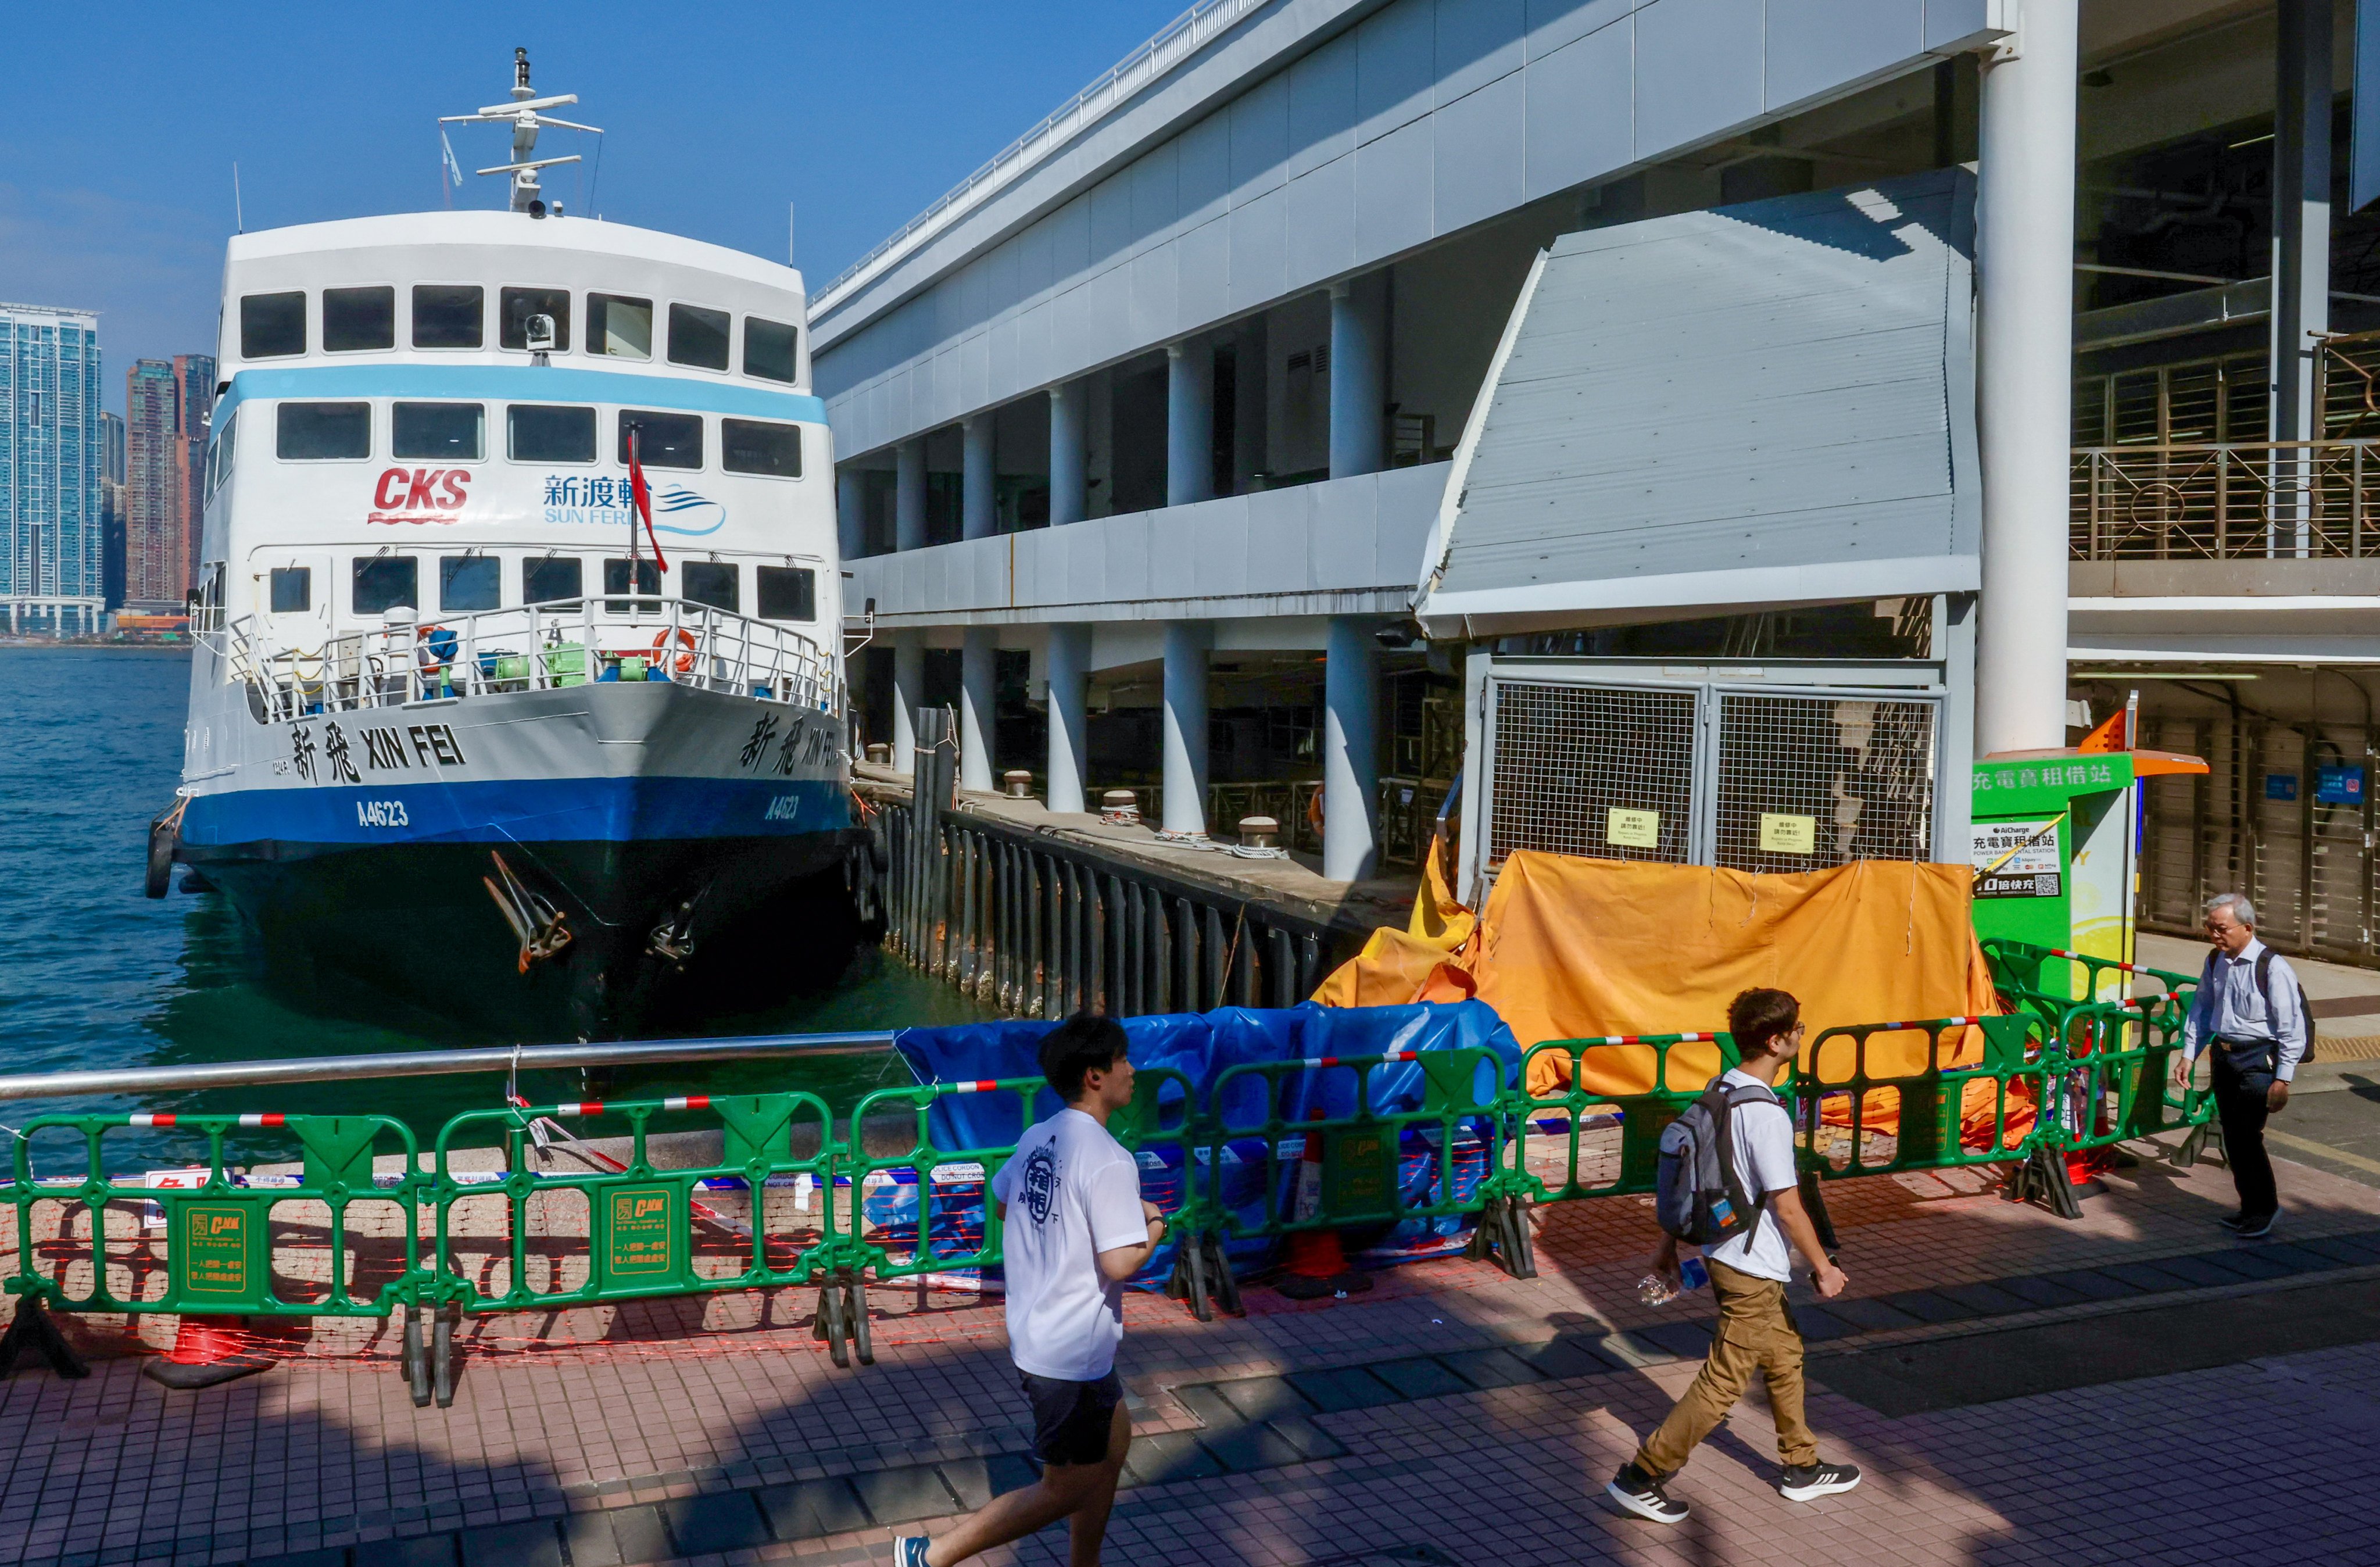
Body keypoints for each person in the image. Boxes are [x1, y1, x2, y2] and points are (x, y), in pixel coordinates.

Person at [897, 1014, 1166, 1567]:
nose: (1132, 1069)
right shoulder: (1111, 1159)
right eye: (1122, 1059)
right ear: (1094, 1076)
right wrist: (1156, 1226)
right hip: (1071, 1350)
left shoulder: (1037, 1136)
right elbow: (1119, 1262)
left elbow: (1002, 1202)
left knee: (1113, 1444)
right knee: (1065, 1486)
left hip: (1040, 1334)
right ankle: (930, 1556)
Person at [1606, 988, 1862, 1524]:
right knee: (1723, 1380)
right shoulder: (1764, 1115)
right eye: (1797, 1027)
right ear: (1776, 1040)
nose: (1800, 1032)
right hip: (1750, 1266)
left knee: (1785, 1353)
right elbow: (1788, 1207)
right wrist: (1824, 1268)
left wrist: (1668, 1247)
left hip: (1726, 1252)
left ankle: (1801, 1466)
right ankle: (1642, 1476)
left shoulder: (1720, 1088)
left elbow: (1689, 1179)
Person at [2170, 892, 2307, 1240]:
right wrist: (2189, 1053)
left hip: (2258, 1059)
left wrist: (2283, 1080)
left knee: (2247, 1136)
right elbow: (2202, 1008)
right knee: (2234, 1136)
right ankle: (2251, 1208)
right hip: (2224, 1055)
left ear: (2247, 928)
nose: (2214, 935)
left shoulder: (2273, 967)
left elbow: (2292, 1027)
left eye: (2221, 929)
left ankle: (2265, 1209)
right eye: (2210, 928)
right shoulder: (2216, 961)